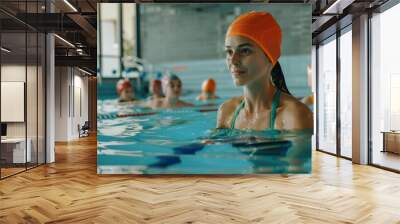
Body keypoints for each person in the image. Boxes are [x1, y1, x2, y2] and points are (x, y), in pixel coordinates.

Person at [216, 11, 313, 131]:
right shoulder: (227, 111)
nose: (233, 60)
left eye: (245, 51)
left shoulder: (294, 116)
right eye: (229, 52)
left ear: (270, 57)